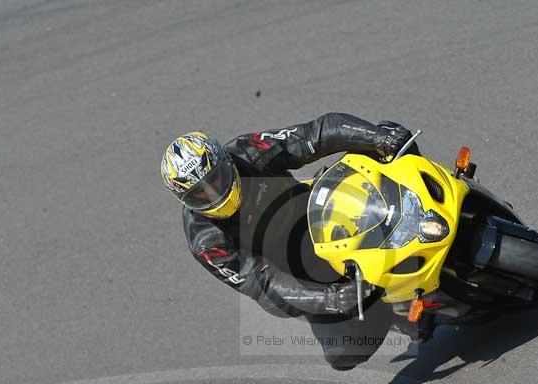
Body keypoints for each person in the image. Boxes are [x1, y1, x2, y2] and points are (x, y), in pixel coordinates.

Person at [160, 113, 418, 370]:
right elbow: (264, 285)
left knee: (389, 136)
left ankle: (438, 193)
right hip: (297, 272)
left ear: (226, 162)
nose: (214, 195)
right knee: (343, 352)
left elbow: (313, 135)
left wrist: (375, 137)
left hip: (318, 213)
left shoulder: (247, 152)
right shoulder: (206, 242)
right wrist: (330, 299)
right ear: (184, 199)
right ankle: (388, 311)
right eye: (199, 195)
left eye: (215, 180)